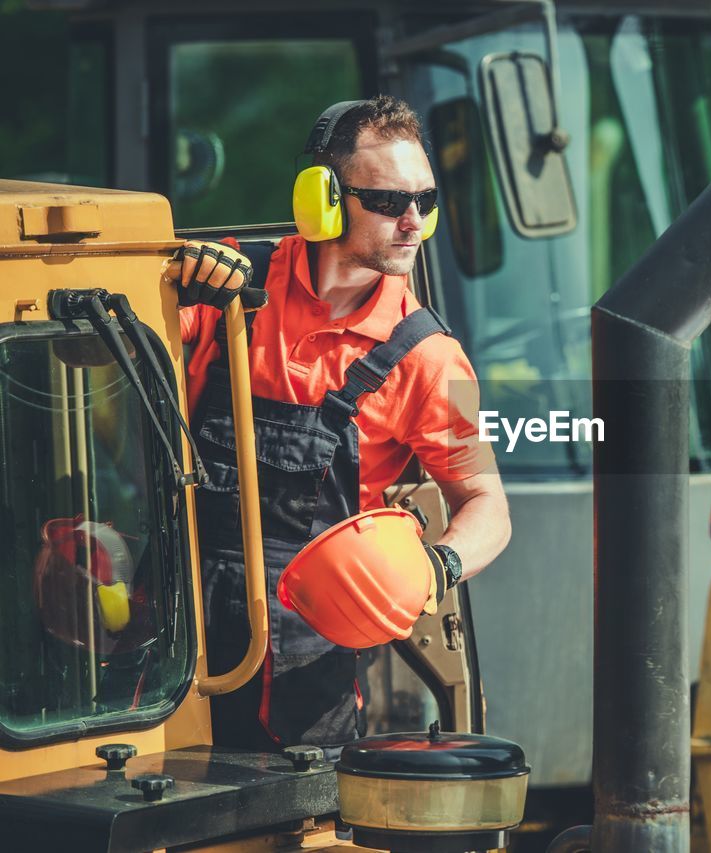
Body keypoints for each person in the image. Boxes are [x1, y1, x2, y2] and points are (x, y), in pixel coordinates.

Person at [169, 95, 511, 751]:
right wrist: (174, 282)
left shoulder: (438, 361)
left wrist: (436, 567)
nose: (413, 222)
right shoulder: (229, 282)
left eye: (426, 201)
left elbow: (489, 505)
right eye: (388, 202)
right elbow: (105, 351)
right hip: (177, 649)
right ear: (323, 199)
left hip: (305, 674)